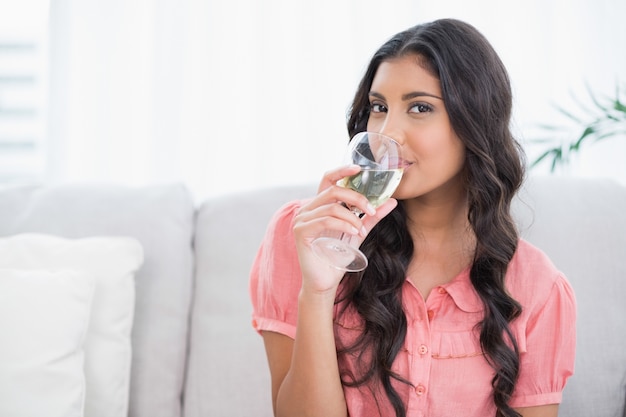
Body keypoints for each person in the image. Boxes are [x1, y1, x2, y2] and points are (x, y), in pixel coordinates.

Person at [249, 18, 576, 417]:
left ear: (475, 122)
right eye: (378, 107)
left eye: (420, 107)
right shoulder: (305, 236)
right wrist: (317, 294)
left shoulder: (537, 287)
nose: (389, 133)